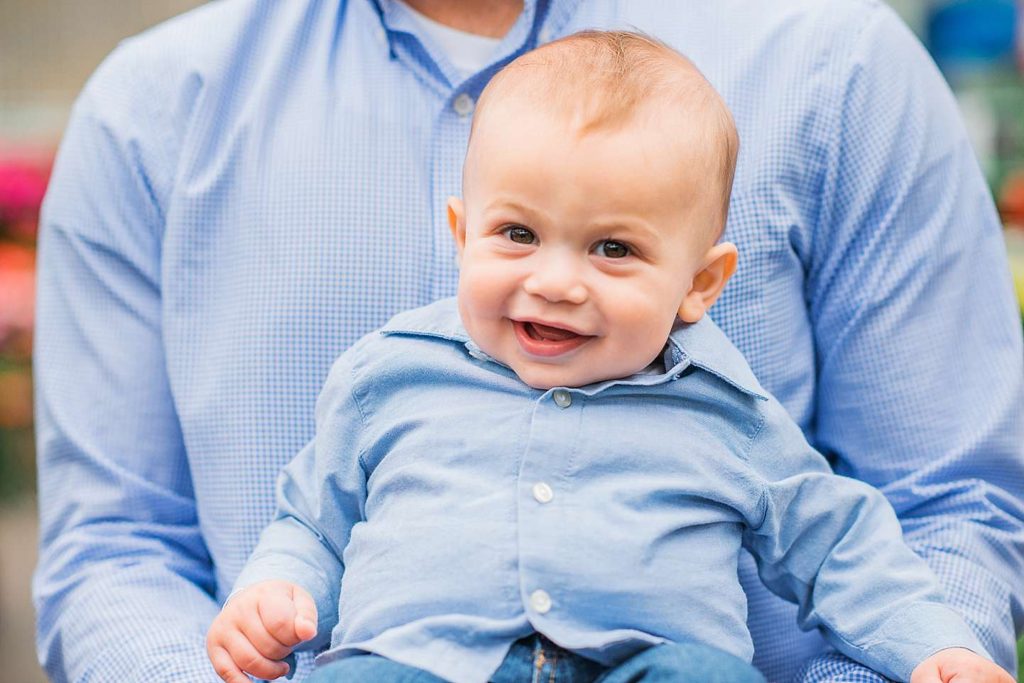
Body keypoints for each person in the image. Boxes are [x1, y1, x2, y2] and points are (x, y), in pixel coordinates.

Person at [33, 1, 1024, 682]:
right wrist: (268, 597)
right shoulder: (149, 114)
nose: (555, 281)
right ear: (463, 231)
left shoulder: (835, 63)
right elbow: (124, 543)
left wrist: (931, 645)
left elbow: (923, 512)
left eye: (613, 249)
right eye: (516, 235)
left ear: (703, 283)